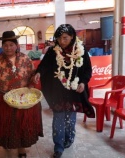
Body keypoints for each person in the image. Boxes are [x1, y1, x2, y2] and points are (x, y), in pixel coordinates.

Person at [0, 31, 44, 158]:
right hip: (5, 102)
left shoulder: (25, 59)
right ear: (2, 47)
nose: (8, 48)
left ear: (16, 45)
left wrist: (34, 79)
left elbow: (32, 75)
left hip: (23, 101)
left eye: (11, 45)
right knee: (7, 127)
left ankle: (21, 150)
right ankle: (8, 147)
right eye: (5, 45)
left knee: (21, 127)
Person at [34, 24, 95, 158]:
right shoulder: (53, 51)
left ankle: (68, 139)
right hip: (57, 92)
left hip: (73, 92)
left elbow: (87, 70)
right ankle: (58, 147)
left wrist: (83, 83)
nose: (62, 41)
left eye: (65, 38)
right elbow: (44, 66)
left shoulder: (81, 50)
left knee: (70, 120)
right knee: (58, 120)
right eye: (59, 38)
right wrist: (38, 72)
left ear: (72, 36)